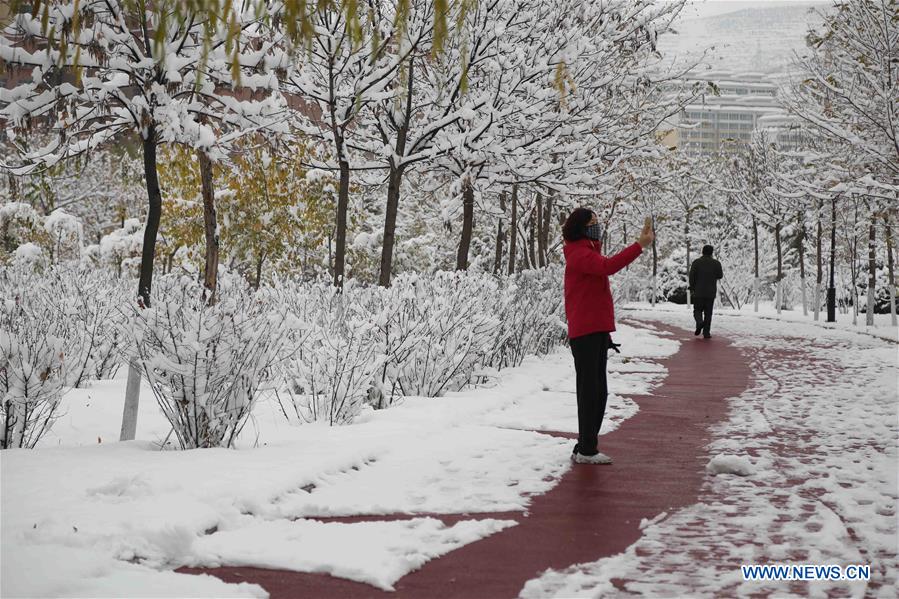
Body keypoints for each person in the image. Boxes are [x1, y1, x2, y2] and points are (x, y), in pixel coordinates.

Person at [563, 209, 654, 465]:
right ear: (580, 228)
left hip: (595, 331)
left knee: (596, 391)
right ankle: (586, 449)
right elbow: (607, 267)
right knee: (591, 392)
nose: (597, 226)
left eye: (597, 222)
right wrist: (639, 245)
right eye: (591, 223)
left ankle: (585, 444)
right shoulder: (579, 254)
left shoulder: (587, 251)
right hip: (586, 333)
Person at [689, 244, 724, 339]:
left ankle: (700, 323)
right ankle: (706, 333)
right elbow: (720, 275)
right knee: (708, 313)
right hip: (710, 292)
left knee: (697, 310)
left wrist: (692, 287)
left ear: (702, 251)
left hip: (698, 291)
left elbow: (691, 276)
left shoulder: (696, 262)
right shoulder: (716, 263)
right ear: (712, 252)